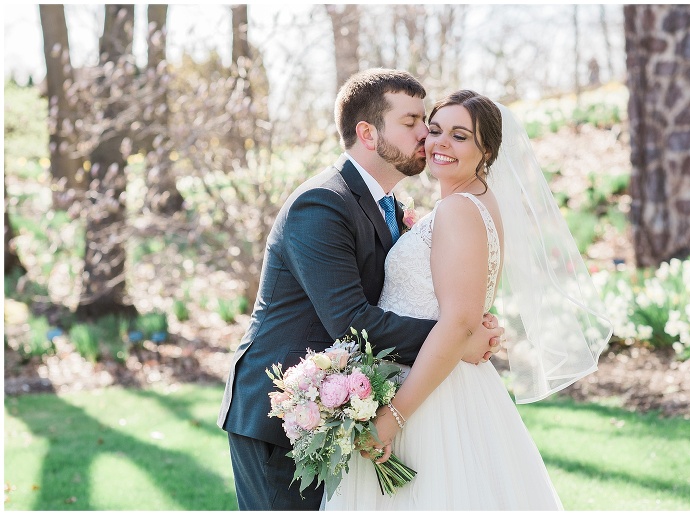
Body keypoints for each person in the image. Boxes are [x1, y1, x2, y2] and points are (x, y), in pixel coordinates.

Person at [216, 70, 504, 511]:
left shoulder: (390, 208)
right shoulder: (321, 203)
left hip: (348, 406)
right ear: (368, 134)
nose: (425, 135)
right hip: (284, 415)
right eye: (412, 122)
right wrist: (457, 339)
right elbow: (351, 320)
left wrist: (463, 323)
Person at [323, 91, 613, 510]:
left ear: (487, 151)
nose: (440, 143)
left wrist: (393, 418)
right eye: (435, 130)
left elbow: (459, 323)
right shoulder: (474, 203)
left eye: (460, 136)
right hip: (438, 380)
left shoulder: (458, 209)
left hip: (428, 397)